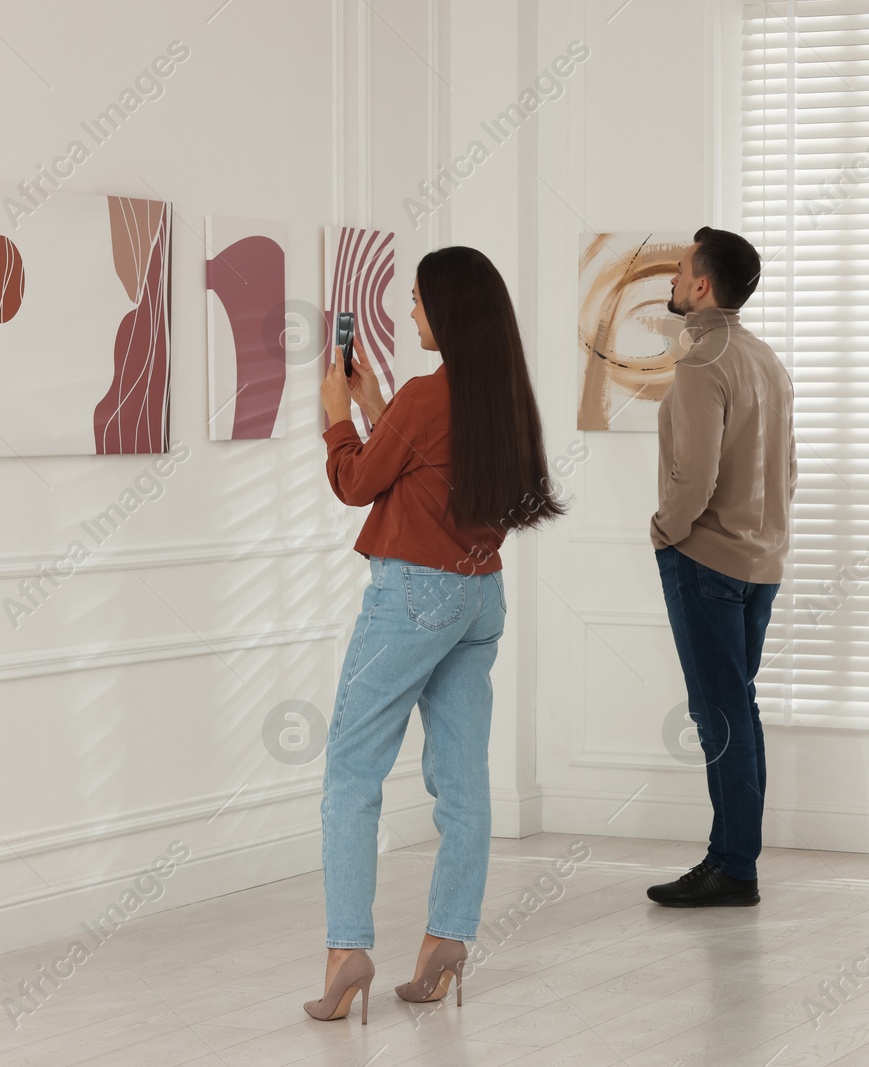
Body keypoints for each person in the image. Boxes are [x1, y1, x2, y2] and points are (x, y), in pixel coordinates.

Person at [304, 246, 565, 1023]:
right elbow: (426, 468)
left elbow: (359, 481)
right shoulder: (502, 397)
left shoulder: (427, 396)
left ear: (446, 311)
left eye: (416, 301)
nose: (408, 312)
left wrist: (337, 415)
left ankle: (346, 950)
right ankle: (446, 939)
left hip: (412, 596)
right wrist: (379, 401)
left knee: (351, 773)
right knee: (463, 784)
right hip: (479, 597)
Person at [647, 226, 796, 908]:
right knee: (739, 709)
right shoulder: (766, 359)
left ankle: (733, 864)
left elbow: (695, 475)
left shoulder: (703, 361)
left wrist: (664, 531)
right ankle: (736, 858)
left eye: (680, 271)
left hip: (705, 558)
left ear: (702, 285)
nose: (674, 281)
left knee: (722, 717)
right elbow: (789, 472)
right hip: (761, 563)